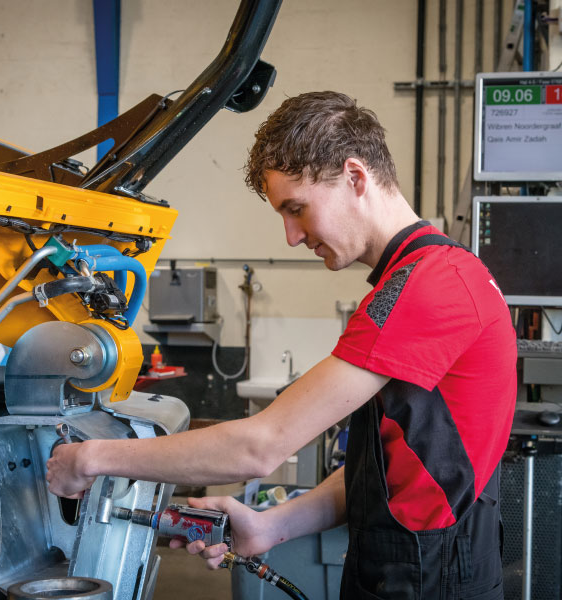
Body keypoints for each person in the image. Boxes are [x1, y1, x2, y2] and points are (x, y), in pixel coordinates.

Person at [46, 91, 516, 599]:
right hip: (410, 568)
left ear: (355, 177)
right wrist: (273, 525)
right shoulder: (421, 279)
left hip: (431, 582)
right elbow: (390, 474)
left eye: (297, 208)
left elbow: (258, 447)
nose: (292, 236)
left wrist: (90, 458)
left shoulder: (429, 285)